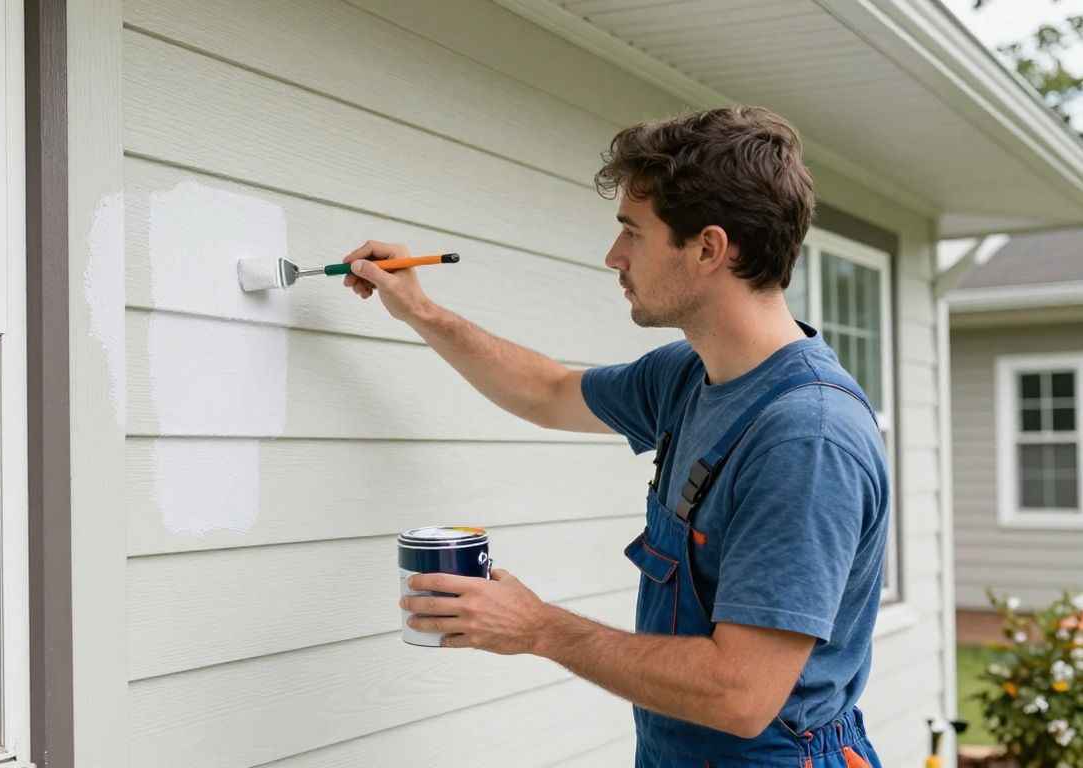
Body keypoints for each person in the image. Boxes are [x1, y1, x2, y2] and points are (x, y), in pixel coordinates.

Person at [345, 106, 888, 768]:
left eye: (633, 232)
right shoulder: (689, 377)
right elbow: (547, 392)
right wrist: (421, 310)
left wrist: (538, 628)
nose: (614, 256)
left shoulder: (806, 439)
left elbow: (741, 695)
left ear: (709, 249)